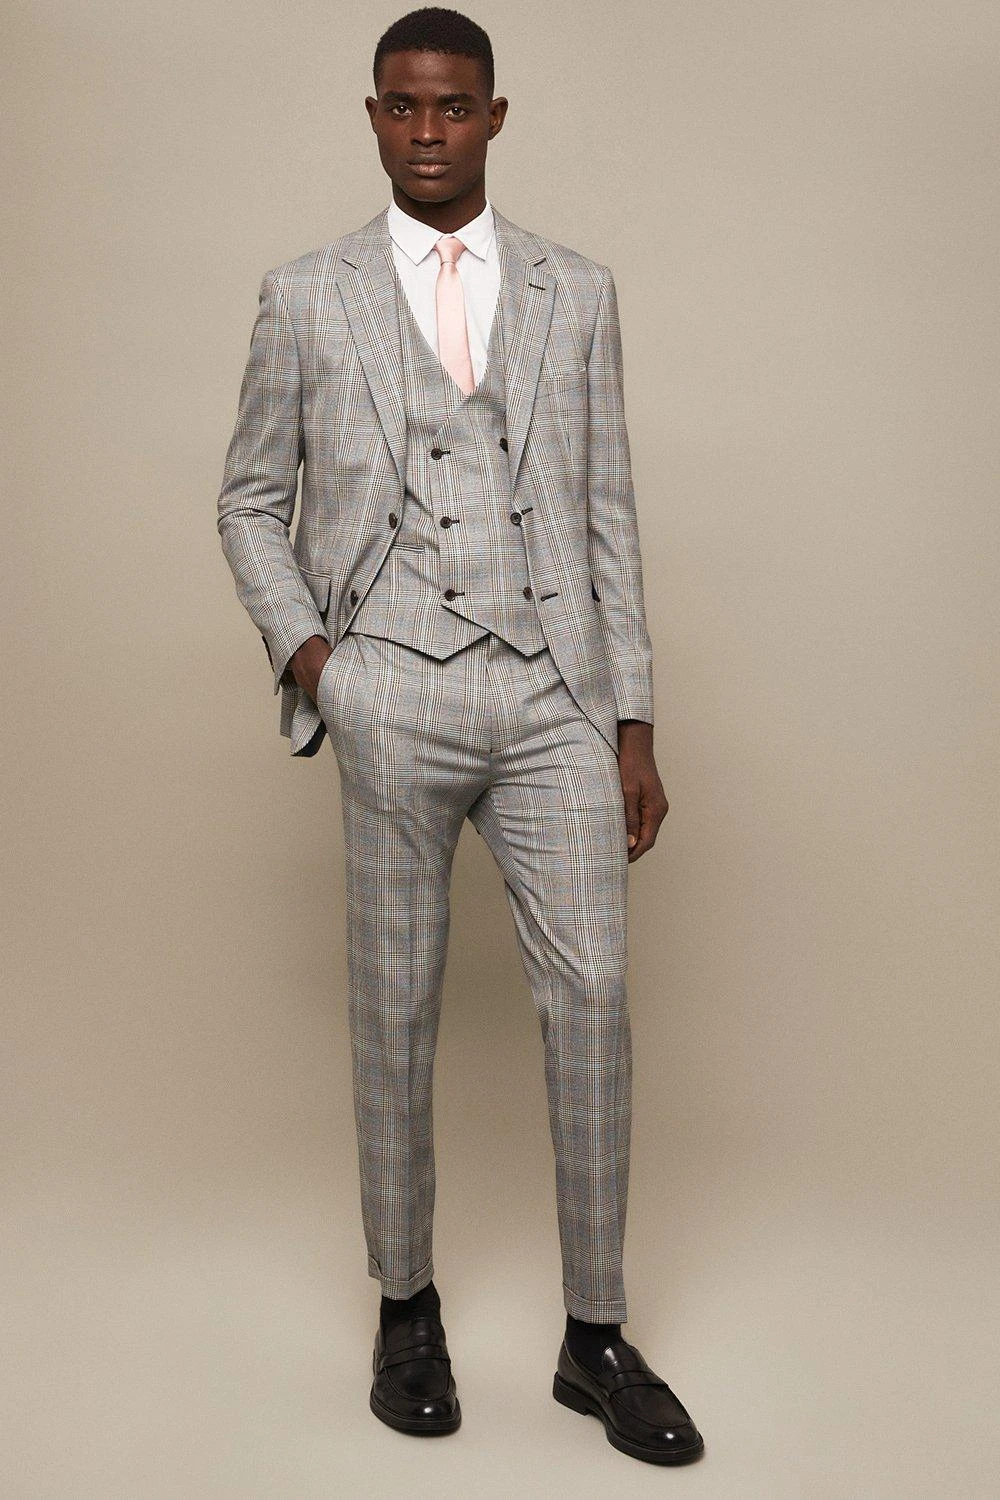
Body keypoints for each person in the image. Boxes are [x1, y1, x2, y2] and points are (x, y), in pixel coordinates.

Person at [217, 5, 703, 1466]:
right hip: (391, 688)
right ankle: (406, 1307)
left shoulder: (578, 291)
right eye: (402, 106)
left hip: (554, 692)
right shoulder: (306, 296)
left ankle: (595, 1336)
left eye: (452, 107)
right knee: (395, 1006)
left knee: (594, 994)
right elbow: (250, 500)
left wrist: (632, 718)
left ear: (495, 116)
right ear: (374, 116)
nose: (427, 131)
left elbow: (608, 510)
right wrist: (321, 665)